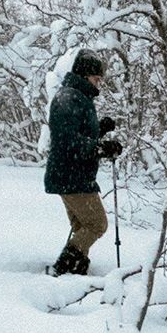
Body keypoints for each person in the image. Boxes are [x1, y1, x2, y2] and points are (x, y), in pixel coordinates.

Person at [44, 50, 120, 276]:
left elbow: (78, 132)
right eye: (97, 78)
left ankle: (75, 272)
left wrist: (100, 128)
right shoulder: (69, 98)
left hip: (71, 174)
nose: (99, 83)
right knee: (97, 224)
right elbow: (67, 140)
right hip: (71, 176)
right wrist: (100, 148)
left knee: (81, 226)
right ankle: (65, 266)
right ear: (85, 75)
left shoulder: (77, 96)